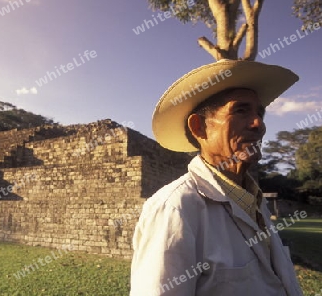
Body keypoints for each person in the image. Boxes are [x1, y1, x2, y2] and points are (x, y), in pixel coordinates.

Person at [130, 59, 304, 296]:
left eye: (260, 113)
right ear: (199, 128)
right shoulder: (174, 208)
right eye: (241, 110)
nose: (259, 125)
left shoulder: (254, 201)